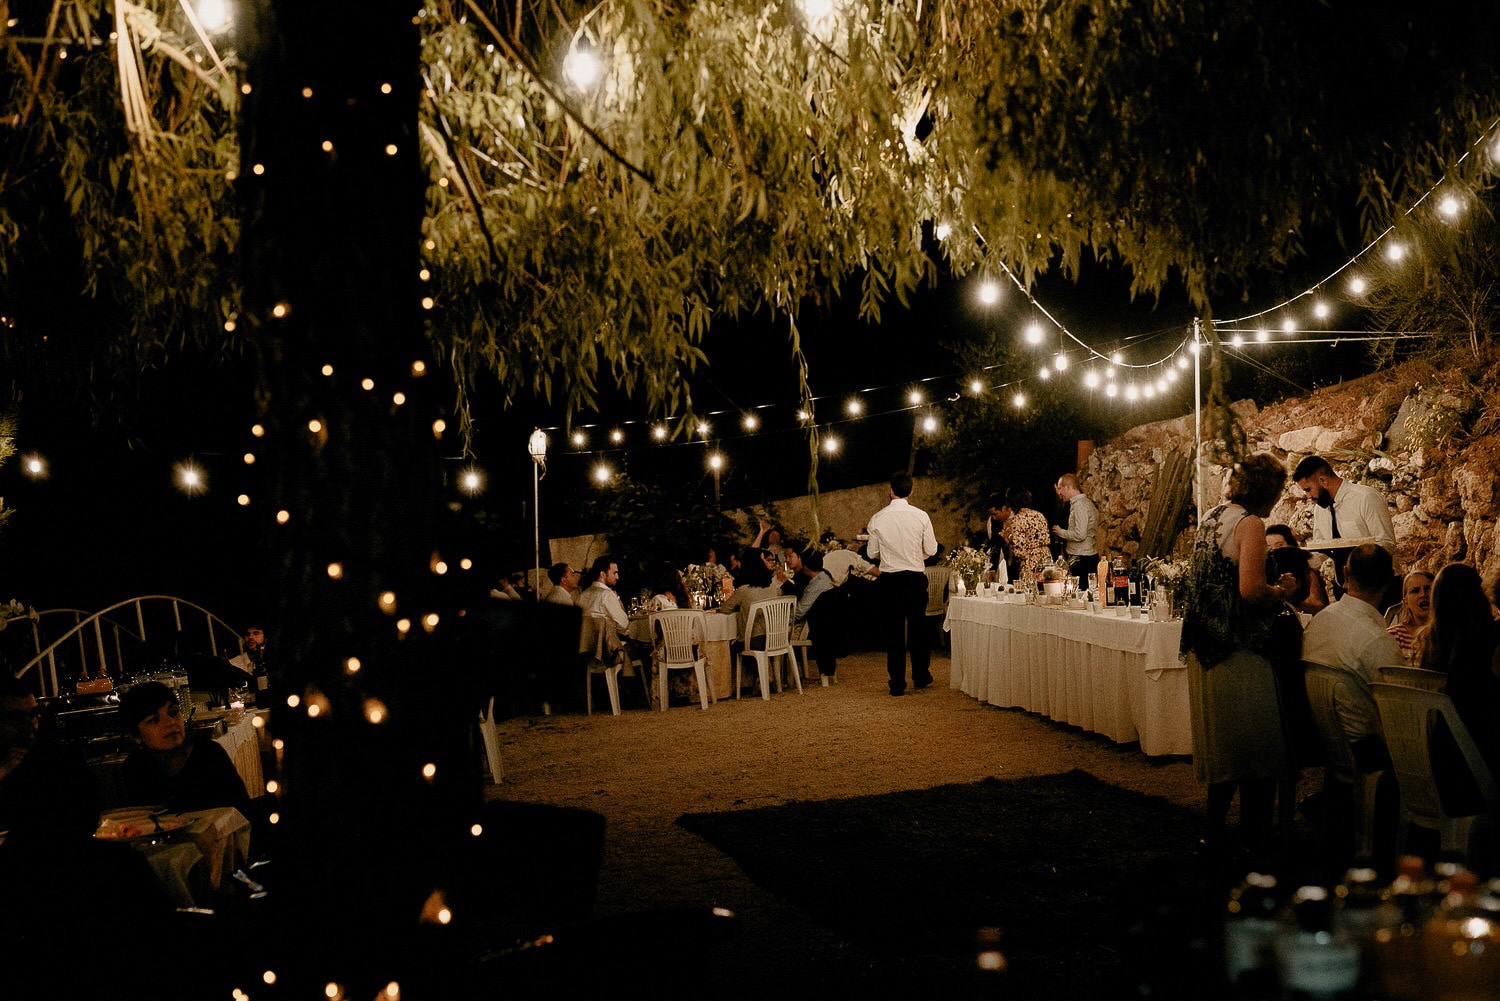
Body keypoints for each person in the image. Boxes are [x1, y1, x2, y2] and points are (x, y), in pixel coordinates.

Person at [1180, 453, 1301, 856]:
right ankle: (1256, 842)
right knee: (1257, 749)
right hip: (1238, 646)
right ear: (1268, 491)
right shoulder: (1250, 524)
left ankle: (1211, 833)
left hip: (1205, 644)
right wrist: (1281, 591)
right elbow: (1250, 589)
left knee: (1227, 750)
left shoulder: (1213, 517)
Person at [1300, 544, 1405, 770]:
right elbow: (1401, 714)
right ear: (1389, 581)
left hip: (1329, 749)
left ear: (1345, 575)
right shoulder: (1376, 642)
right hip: (1369, 756)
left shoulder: (1318, 623)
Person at [119, 681, 252, 817]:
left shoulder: (208, 755)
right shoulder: (136, 767)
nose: (170, 722)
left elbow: (242, 814)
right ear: (135, 735)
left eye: (174, 712)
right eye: (154, 720)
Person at [866, 470, 938, 696]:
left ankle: (897, 682)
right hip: (915, 577)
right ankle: (920, 676)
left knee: (893, 631)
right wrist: (915, 556)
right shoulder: (921, 516)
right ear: (911, 491)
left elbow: (871, 552)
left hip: (889, 579)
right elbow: (932, 549)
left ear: (890, 491)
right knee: (919, 627)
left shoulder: (877, 518)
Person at [1293, 455, 1398, 587]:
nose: (1308, 496)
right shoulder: (1320, 510)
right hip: (1344, 588)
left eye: (1308, 489)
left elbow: (1387, 544)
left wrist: (1357, 558)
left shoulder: (1366, 497)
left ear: (1323, 481)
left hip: (1380, 586)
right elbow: (1321, 552)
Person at [792, 549, 841, 685]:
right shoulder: (825, 577)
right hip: (829, 627)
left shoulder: (816, 584)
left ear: (806, 565)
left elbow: (799, 612)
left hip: (818, 628)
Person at [716, 553, 780, 650]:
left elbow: (725, 609)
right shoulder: (773, 588)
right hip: (775, 638)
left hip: (753, 641)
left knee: (729, 647)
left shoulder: (744, 590)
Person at [1264, 523, 1330, 615]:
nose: (1274, 550)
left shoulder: (1307, 572)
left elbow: (1318, 606)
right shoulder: (1265, 573)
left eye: (1279, 545)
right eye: (1269, 547)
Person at [1051, 473, 1100, 585]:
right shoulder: (1082, 503)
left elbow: (1080, 534)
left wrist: (1060, 532)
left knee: (1080, 594)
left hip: (1082, 558)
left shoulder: (1080, 506)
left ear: (1068, 487)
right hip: (1083, 556)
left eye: (1060, 488)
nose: (1059, 492)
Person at [578, 556, 630, 659]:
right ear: (602, 574)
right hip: (606, 652)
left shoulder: (583, 595)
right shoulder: (606, 594)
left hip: (586, 650)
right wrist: (618, 600)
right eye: (614, 573)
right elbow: (624, 625)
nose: (617, 577)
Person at [1001, 488, 1051, 586]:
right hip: (1046, 557)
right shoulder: (1039, 515)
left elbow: (1019, 551)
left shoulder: (1018, 519)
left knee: (1031, 593)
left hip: (1030, 562)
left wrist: (1009, 541)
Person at [984, 495, 1014, 582]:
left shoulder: (1019, 516)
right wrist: (993, 568)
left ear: (1004, 508)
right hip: (1007, 560)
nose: (993, 517)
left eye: (995, 514)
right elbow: (995, 544)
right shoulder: (995, 522)